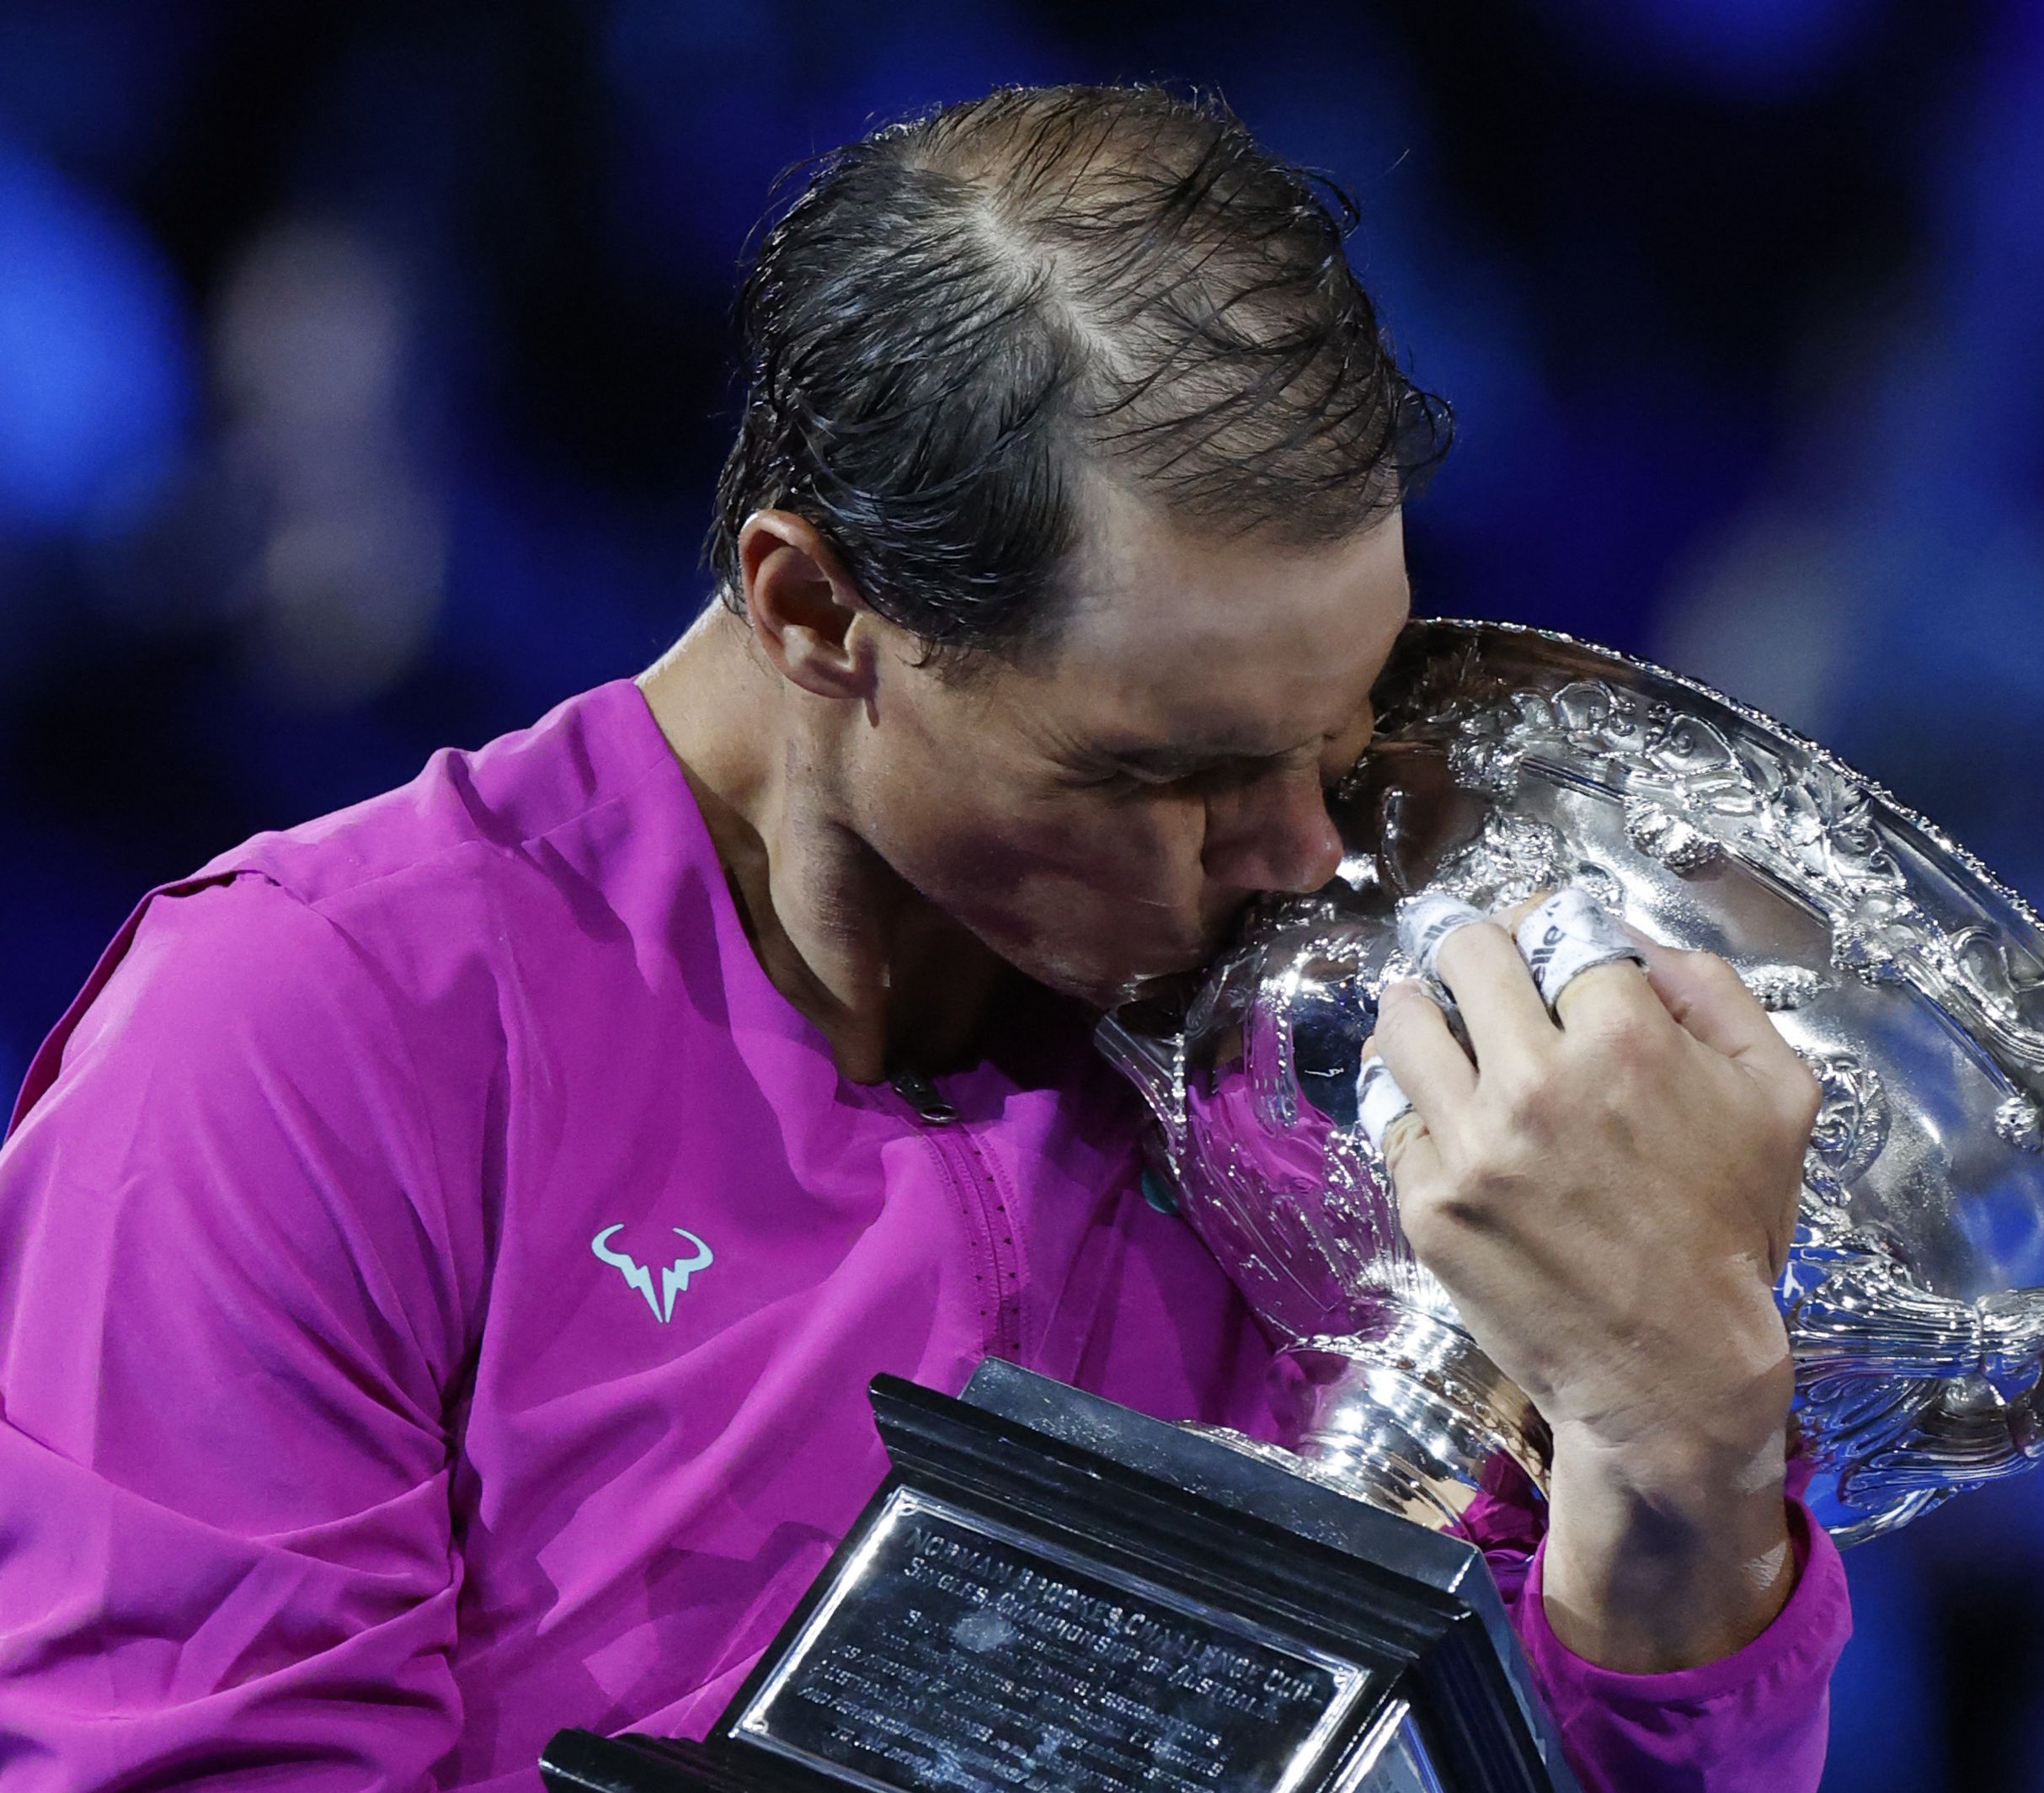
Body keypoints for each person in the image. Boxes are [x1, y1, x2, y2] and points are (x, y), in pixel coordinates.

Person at [0, 84, 1847, 1791]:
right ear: (814, 611)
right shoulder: (303, 1034)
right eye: (1176, 770)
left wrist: (1683, 1469)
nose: (1301, 856)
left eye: (1341, 738)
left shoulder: (1359, 1071)